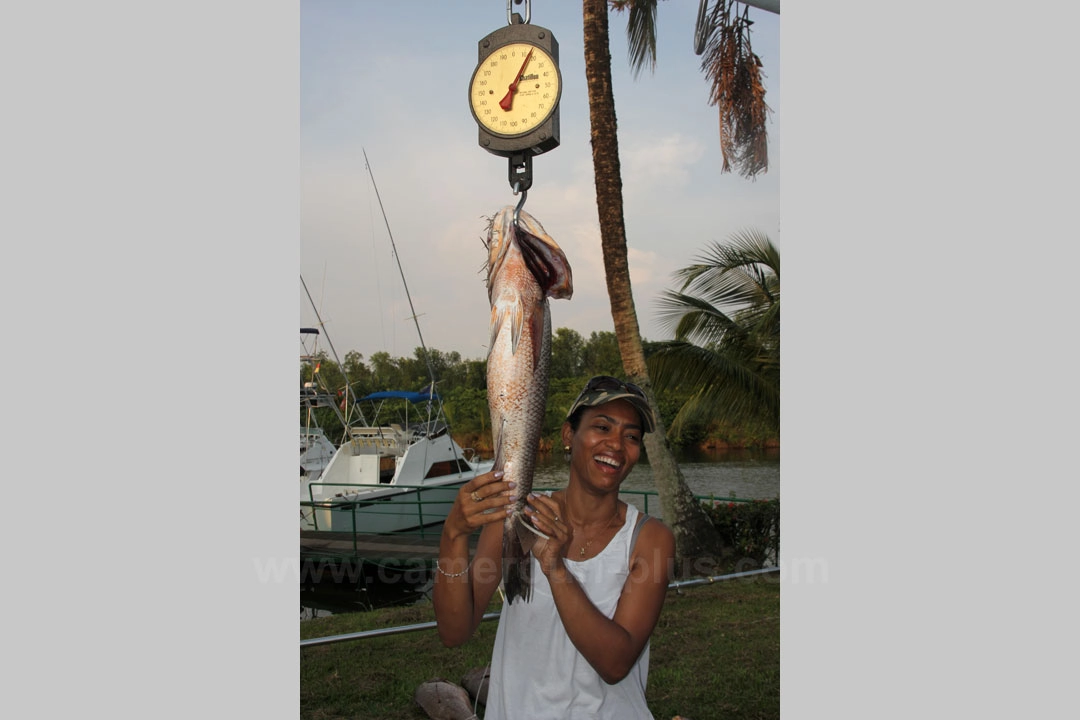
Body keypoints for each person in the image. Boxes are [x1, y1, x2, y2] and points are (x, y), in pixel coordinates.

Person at [433, 376, 676, 719]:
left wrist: (555, 568)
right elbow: (454, 631)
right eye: (602, 427)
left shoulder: (649, 539)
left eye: (631, 435)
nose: (616, 445)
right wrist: (453, 534)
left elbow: (615, 663)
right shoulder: (517, 515)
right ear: (568, 435)